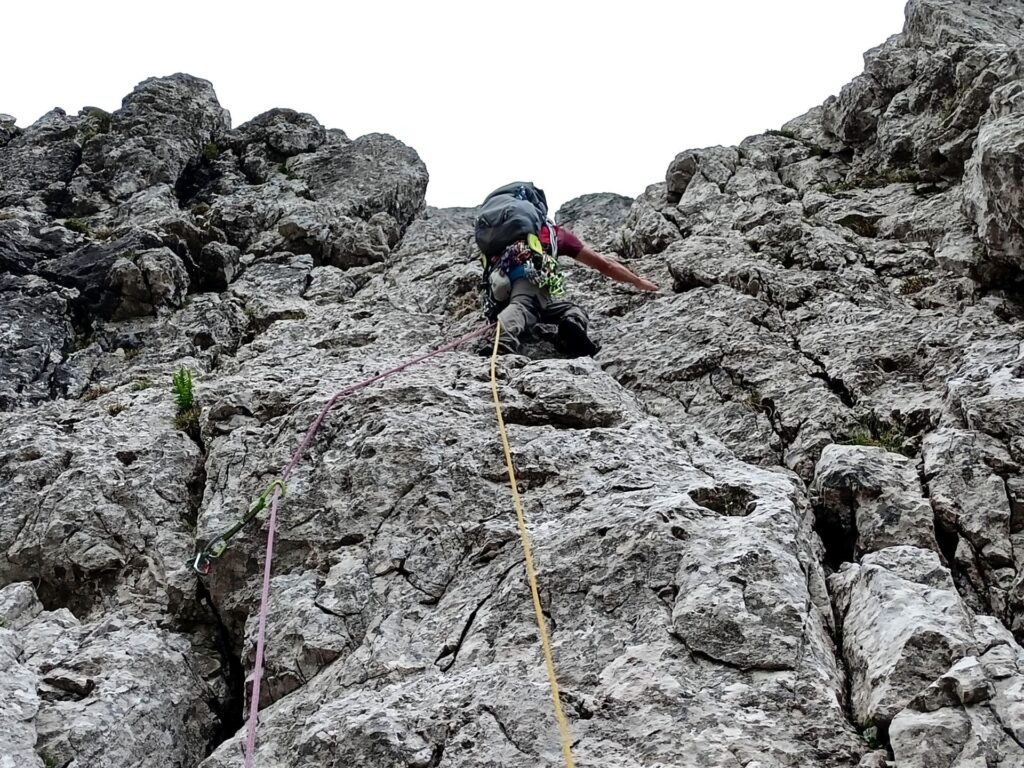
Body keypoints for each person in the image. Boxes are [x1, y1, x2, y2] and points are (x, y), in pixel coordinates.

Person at [484, 219, 658, 357]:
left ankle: (570, 324)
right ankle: (502, 343)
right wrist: (637, 281)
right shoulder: (552, 233)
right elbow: (606, 265)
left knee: (569, 309)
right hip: (528, 275)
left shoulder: (497, 238)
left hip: (498, 287)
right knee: (524, 304)